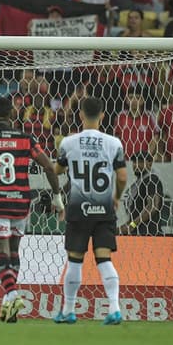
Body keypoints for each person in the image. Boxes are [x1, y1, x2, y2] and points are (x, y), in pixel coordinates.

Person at [0, 97, 64, 323]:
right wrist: (57, 197)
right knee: (13, 253)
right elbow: (49, 166)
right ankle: (9, 305)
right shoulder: (26, 139)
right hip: (21, 204)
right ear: (12, 114)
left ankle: (11, 294)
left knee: (0, 253)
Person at [53, 96, 128, 325]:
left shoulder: (68, 142)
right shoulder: (113, 143)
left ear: (81, 115)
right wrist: (115, 197)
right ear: (103, 115)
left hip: (78, 210)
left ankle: (67, 311)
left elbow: (55, 171)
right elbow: (123, 176)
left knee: (75, 260)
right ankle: (114, 309)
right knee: (104, 259)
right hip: (104, 211)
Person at [120, 151, 164, 236]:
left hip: (148, 234)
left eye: (140, 162)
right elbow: (136, 213)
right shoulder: (138, 183)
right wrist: (125, 226)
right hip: (138, 233)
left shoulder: (152, 179)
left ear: (150, 163)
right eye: (134, 162)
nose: (136, 165)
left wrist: (132, 225)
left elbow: (153, 206)